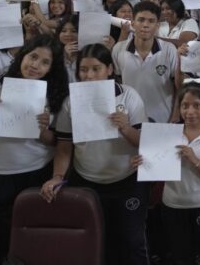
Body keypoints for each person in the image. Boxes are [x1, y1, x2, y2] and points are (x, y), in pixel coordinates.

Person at [41, 43, 149, 265]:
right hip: (87, 181)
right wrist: (58, 176)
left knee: (132, 240)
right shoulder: (71, 102)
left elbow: (145, 143)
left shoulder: (128, 96)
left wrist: (126, 129)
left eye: (96, 69)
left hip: (127, 180)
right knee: (97, 239)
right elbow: (64, 146)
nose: (89, 76)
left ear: (109, 69)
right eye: (83, 70)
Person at [0, 34, 68, 258]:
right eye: (33, 57)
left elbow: (57, 143)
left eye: (45, 62)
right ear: (23, 55)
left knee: (32, 238)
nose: (35, 65)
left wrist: (42, 131)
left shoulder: (55, 94)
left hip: (37, 172)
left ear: (52, 68)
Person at [133, 83, 200, 265]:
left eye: (196, 105)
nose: (190, 111)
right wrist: (142, 163)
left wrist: (195, 161)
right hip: (173, 206)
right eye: (185, 105)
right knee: (181, 256)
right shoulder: (167, 133)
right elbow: (157, 170)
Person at [112, 1, 178, 124]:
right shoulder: (118, 49)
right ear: (132, 23)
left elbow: (178, 87)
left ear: (157, 25)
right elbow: (118, 84)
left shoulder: (169, 50)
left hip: (164, 119)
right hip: (131, 118)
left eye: (151, 21)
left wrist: (175, 115)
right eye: (141, 20)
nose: (145, 25)